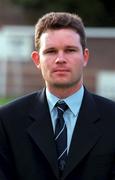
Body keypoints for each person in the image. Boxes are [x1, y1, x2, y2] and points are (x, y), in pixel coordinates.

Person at [0, 12, 115, 180]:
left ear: (85, 57)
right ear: (37, 59)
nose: (60, 59)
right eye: (51, 51)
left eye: (70, 50)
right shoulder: (7, 120)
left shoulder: (112, 118)